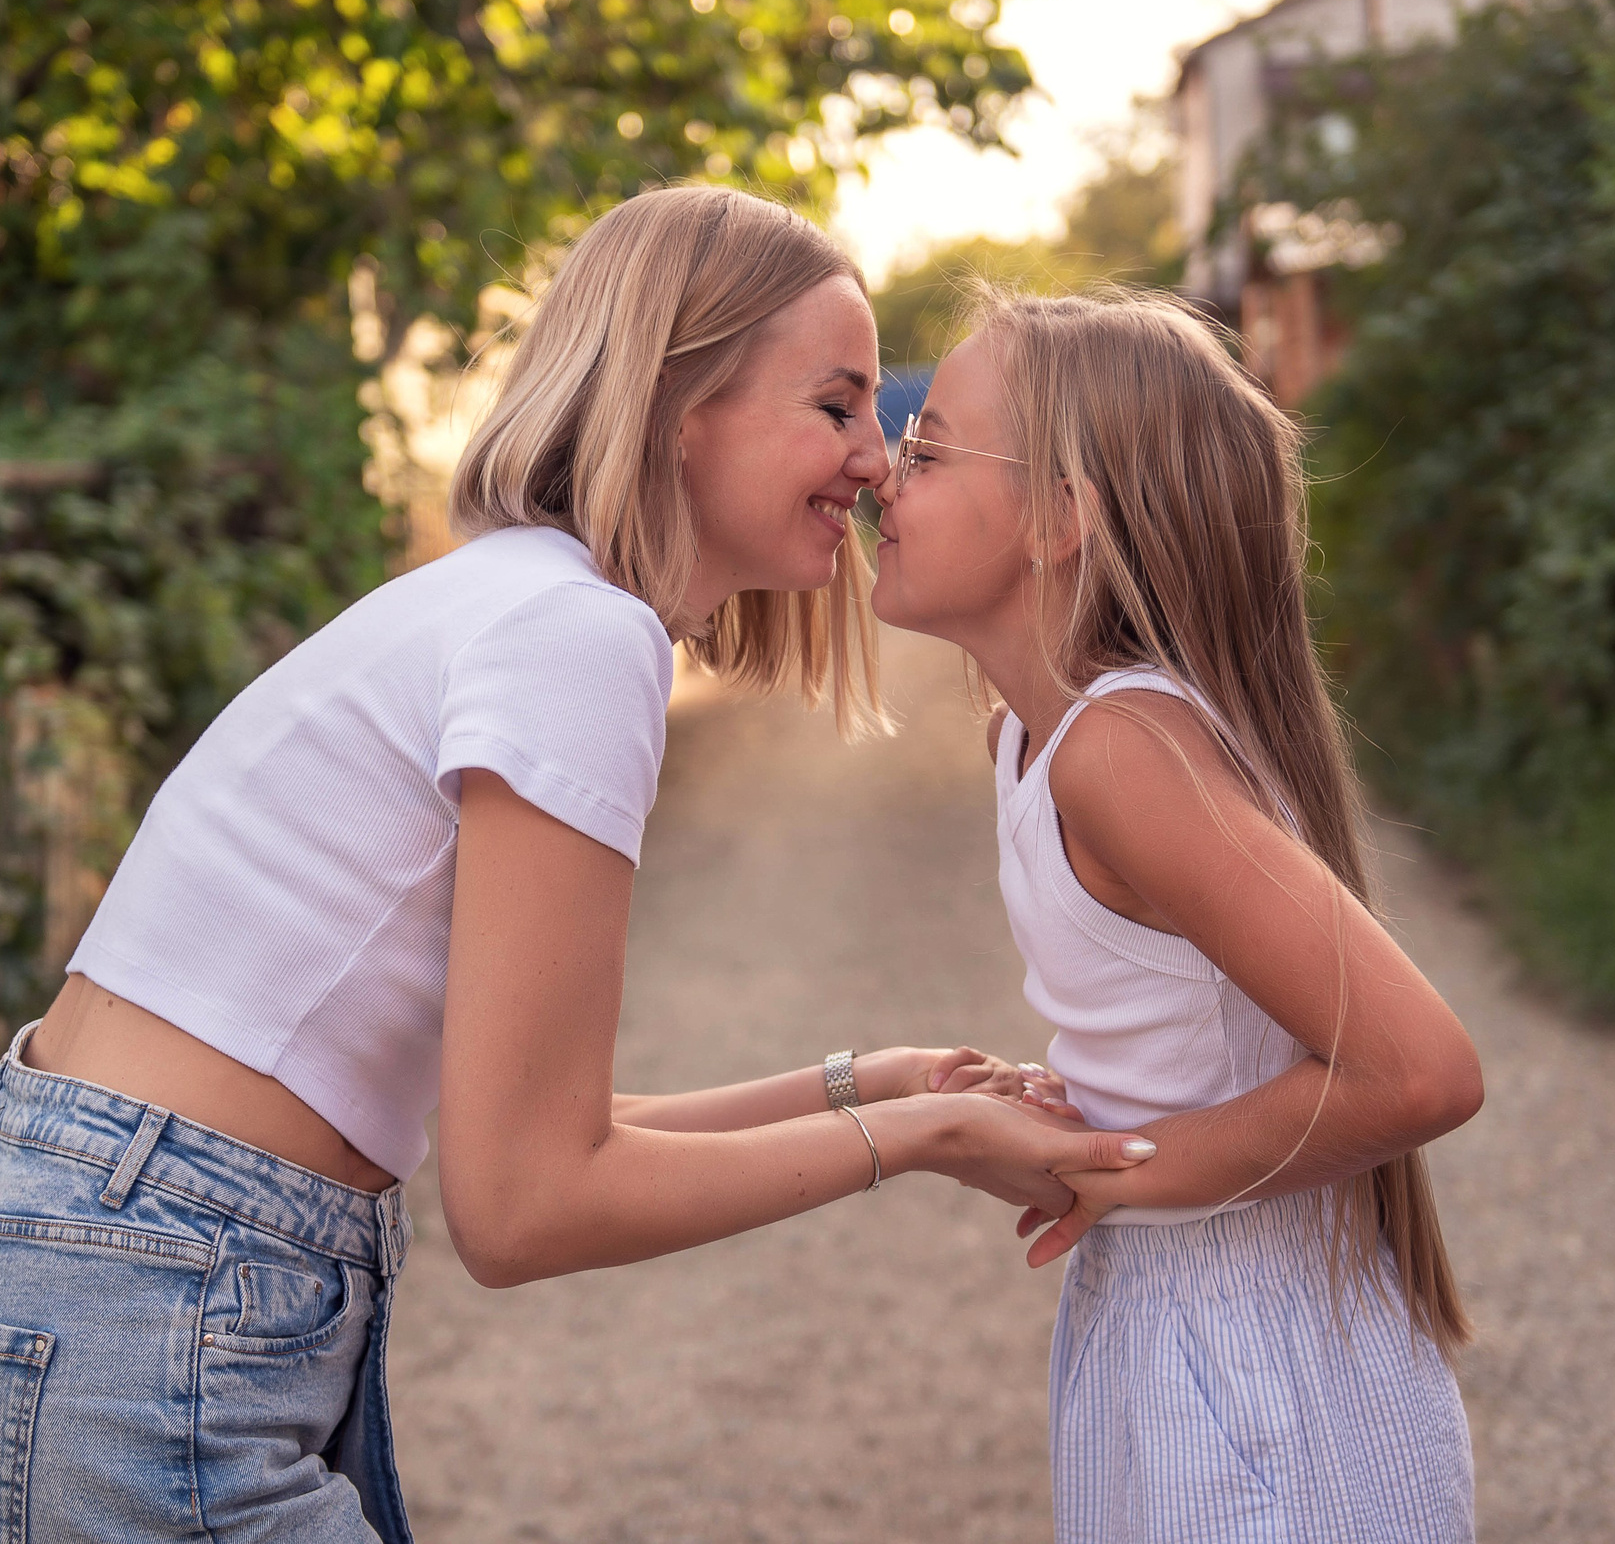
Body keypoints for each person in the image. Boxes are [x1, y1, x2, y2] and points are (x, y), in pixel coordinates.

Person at [0, 189, 1154, 1544]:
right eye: (837, 405)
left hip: (110, 1243)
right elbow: (528, 1205)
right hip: (161, 1281)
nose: (877, 463)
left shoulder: (512, 595)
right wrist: (931, 1134)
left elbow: (537, 1126)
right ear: (682, 405)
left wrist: (862, 1082)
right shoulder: (575, 635)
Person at [869, 286, 1484, 1543]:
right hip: (1166, 1315)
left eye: (927, 447)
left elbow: (1421, 1071)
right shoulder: (1035, 739)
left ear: (1058, 519)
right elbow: (1196, 1035)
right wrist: (1085, 1110)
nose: (882, 468)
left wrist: (1106, 1172)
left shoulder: (1122, 751)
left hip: (1257, 1366)